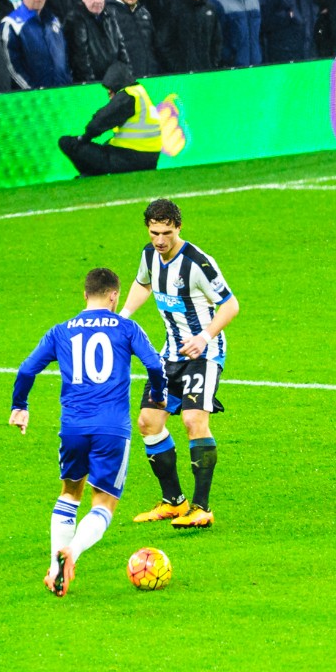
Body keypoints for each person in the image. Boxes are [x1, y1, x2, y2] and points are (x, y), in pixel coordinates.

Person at [8, 266, 167, 597]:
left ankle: (55, 569)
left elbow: (26, 370)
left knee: (69, 493)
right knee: (104, 502)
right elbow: (154, 364)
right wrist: (158, 393)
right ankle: (73, 552)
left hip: (73, 428)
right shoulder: (127, 327)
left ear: (85, 295)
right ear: (114, 296)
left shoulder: (60, 331)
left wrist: (19, 406)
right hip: (112, 428)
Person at [119, 198, 238, 530]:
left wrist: (204, 336)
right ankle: (174, 501)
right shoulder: (149, 256)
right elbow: (143, 283)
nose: (160, 240)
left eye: (166, 233)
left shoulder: (198, 262)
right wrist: (123, 316)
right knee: (148, 422)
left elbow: (231, 305)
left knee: (193, 419)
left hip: (204, 353)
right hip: (170, 354)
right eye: (154, 233)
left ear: (178, 227)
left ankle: (201, 508)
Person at [59, 61, 165, 177]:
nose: (110, 97)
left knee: (67, 143)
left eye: (110, 92)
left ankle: (90, 175)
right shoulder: (139, 92)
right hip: (149, 159)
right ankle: (91, 173)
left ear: (115, 86)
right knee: (106, 144)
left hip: (129, 159)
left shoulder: (126, 96)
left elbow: (99, 122)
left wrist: (84, 137)